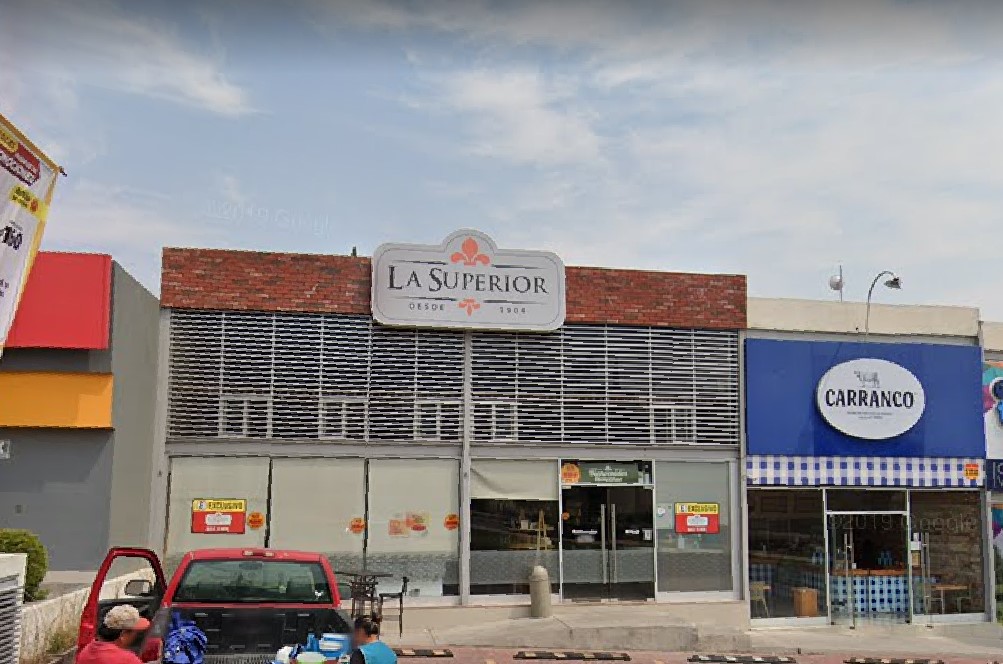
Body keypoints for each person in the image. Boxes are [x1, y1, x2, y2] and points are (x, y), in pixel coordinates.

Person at [77, 604, 151, 664]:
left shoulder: (85, 651)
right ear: (123, 634)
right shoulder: (127, 660)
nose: (136, 636)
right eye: (135, 632)